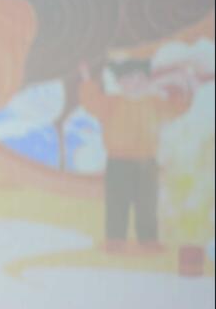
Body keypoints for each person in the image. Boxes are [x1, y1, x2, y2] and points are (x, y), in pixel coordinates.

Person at [78, 58, 192, 253]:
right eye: (129, 79)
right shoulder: (112, 103)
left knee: (147, 204)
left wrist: (181, 84)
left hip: (147, 162)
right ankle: (115, 240)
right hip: (118, 162)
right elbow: (91, 102)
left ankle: (148, 240)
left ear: (148, 81)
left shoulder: (155, 103)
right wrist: (87, 79)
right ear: (120, 82)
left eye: (140, 78)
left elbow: (178, 108)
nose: (135, 83)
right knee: (117, 203)